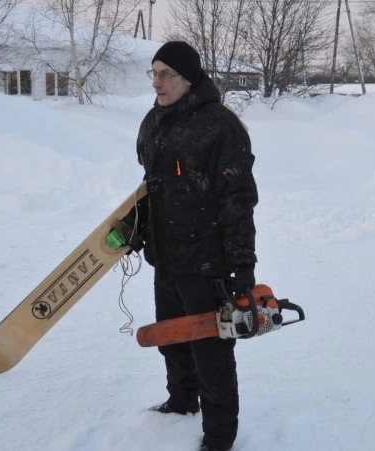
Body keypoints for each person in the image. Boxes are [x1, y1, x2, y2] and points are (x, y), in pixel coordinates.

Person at [132, 41, 258, 451]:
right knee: (171, 336)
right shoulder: (154, 121)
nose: (157, 82)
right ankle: (181, 400)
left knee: (211, 352)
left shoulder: (221, 125)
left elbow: (238, 200)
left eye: (166, 74)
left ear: (188, 77)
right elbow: (152, 185)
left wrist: (242, 265)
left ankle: (219, 437)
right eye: (153, 73)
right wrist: (139, 225)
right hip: (166, 256)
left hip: (206, 260)